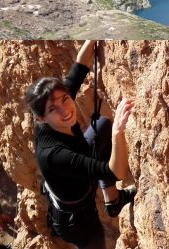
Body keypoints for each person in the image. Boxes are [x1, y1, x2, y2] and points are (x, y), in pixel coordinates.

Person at [27, 41, 136, 249]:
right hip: (76, 220)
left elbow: (79, 67)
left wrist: (95, 35)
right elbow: (115, 171)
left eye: (65, 99)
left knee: (101, 125)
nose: (64, 110)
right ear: (41, 118)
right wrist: (118, 133)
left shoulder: (55, 107)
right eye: (52, 109)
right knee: (96, 242)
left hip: (76, 173)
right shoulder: (55, 155)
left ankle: (113, 201)